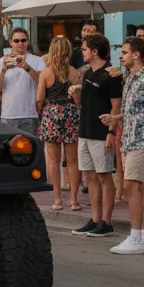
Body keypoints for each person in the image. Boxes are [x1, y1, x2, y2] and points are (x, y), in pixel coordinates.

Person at [101, 37, 144, 254]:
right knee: (138, 186)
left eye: (125, 52)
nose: (121, 56)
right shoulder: (130, 77)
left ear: (136, 54)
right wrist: (117, 118)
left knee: (130, 184)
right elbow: (136, 109)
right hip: (130, 137)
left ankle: (136, 237)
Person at [70, 33, 122, 237]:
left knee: (104, 176)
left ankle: (107, 222)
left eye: (84, 49)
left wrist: (111, 132)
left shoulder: (110, 75)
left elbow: (116, 105)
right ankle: (95, 218)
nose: (81, 52)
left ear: (95, 50)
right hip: (85, 130)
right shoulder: (88, 73)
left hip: (102, 132)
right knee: (90, 176)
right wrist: (76, 97)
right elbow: (84, 105)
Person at [37, 36, 82, 211]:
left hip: (52, 113)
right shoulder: (73, 72)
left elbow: (39, 99)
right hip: (70, 112)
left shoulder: (46, 73)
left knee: (53, 161)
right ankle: (74, 200)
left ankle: (57, 199)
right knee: (72, 160)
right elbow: (78, 97)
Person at [0, 27, 44, 135]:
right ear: (10, 42)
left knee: (32, 151)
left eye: (23, 40)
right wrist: (3, 70)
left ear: (28, 42)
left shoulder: (37, 60)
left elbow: (43, 84)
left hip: (30, 115)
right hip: (9, 115)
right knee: (8, 151)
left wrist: (27, 67)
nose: (20, 43)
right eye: (16, 41)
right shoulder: (1, 61)